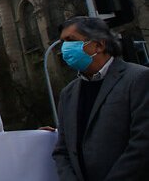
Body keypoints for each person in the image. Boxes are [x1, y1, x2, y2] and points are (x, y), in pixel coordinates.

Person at [52, 17, 149, 181]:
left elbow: (143, 143)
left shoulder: (138, 79)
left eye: (71, 40)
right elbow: (62, 150)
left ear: (99, 44)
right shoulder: (68, 94)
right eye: (63, 42)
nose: (65, 48)